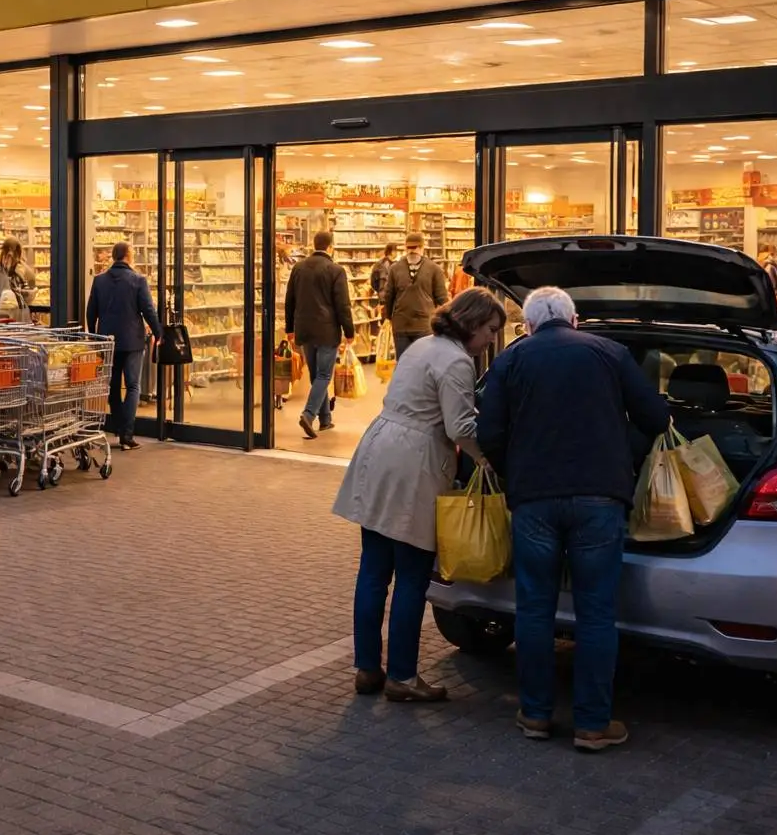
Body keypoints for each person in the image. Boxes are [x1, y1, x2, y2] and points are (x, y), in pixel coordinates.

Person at [476, 287, 670, 752]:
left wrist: (512, 472)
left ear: (527, 326)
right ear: (574, 319)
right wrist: (627, 455)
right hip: (600, 499)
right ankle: (592, 724)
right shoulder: (611, 353)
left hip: (534, 500)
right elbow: (656, 417)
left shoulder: (511, 360)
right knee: (597, 613)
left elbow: (489, 432)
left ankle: (536, 715)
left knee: (536, 610)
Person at [334, 289, 505, 701]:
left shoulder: (423, 346)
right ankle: (404, 677)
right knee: (412, 575)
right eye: (490, 330)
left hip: (380, 448)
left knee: (373, 570)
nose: (491, 341)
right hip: (415, 461)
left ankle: (368, 669)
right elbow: (460, 428)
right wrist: (486, 460)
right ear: (472, 323)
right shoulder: (457, 362)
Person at [86, 241, 162, 451]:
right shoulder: (138, 280)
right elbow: (148, 309)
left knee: (112, 386)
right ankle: (127, 435)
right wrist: (158, 333)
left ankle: (119, 429)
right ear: (128, 256)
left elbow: (91, 310)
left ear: (113, 256)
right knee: (133, 386)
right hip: (132, 341)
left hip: (108, 341)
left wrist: (94, 335)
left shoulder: (99, 281)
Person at [284, 231, 354, 440]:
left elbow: (290, 300)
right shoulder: (336, 270)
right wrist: (349, 331)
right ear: (330, 247)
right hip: (327, 330)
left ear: (314, 245)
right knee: (324, 376)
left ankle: (325, 419)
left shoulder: (298, 268)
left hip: (305, 330)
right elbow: (343, 305)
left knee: (316, 377)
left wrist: (290, 328)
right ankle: (308, 414)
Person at [380, 232, 449, 359]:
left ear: (422, 248)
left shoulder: (434, 269)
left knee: (424, 362)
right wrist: (388, 317)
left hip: (425, 326)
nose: (412, 251)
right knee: (403, 363)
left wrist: (447, 321)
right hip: (401, 326)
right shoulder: (395, 269)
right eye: (409, 248)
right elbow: (389, 295)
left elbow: (442, 297)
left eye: (415, 247)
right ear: (405, 248)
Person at [0, 238, 33, 323]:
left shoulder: (21, 270)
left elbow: (30, 286)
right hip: (0, 317)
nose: (16, 260)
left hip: (19, 317)